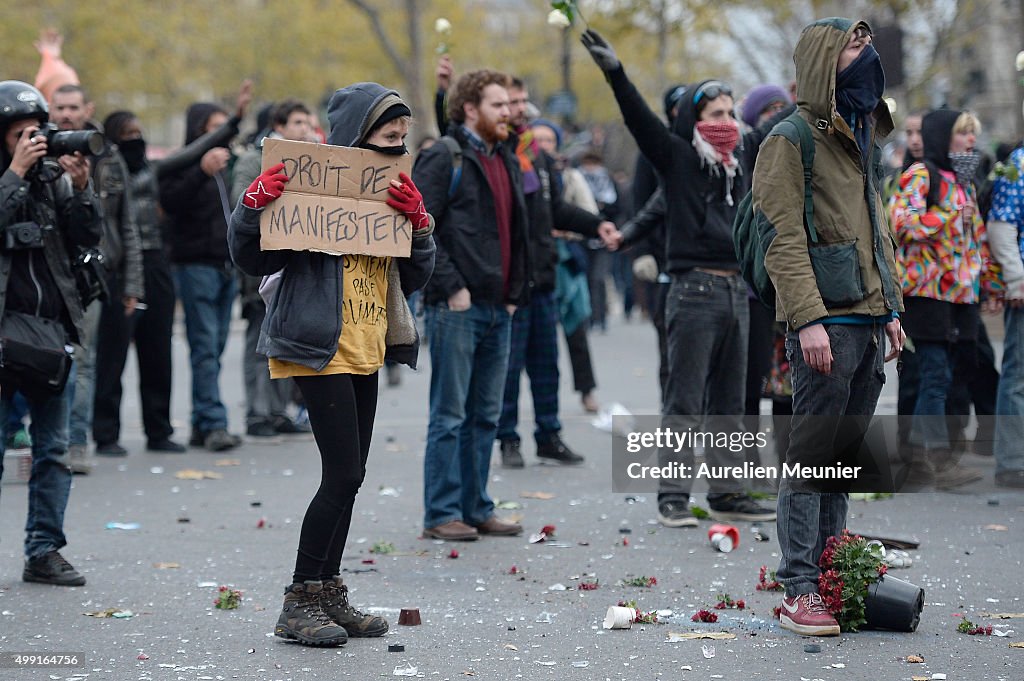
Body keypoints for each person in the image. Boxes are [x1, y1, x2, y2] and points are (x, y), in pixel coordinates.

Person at [229, 82, 435, 646]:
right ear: (356, 139)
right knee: (342, 473)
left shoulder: (392, 187)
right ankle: (298, 600)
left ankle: (328, 591)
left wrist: (420, 227)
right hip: (318, 346)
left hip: (367, 343)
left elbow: (415, 276)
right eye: (388, 138)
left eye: (402, 139)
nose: (398, 148)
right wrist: (254, 207)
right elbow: (250, 256)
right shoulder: (309, 186)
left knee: (351, 477)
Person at [582, 29, 777, 527]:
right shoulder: (678, 158)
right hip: (694, 292)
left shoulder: (742, 163)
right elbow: (640, 121)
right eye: (715, 115)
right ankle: (672, 495)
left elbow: (788, 122)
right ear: (695, 120)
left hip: (737, 291)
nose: (727, 123)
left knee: (732, 403)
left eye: (731, 113)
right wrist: (616, 73)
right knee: (685, 401)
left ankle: (728, 493)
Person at [753, 19, 904, 636]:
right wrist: (807, 321)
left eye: (868, 44)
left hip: (869, 322)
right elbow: (780, 238)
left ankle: (832, 571)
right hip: (825, 325)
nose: (866, 55)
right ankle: (799, 587)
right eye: (853, 45)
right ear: (822, 60)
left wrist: (893, 310)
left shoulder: (860, 133)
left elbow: (876, 229)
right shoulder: (790, 139)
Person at [414, 69, 529, 541]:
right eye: (498, 105)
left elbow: (520, 230)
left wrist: (514, 295)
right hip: (456, 307)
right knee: (450, 415)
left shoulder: (505, 156)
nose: (510, 112)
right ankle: (441, 513)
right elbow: (418, 226)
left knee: (486, 414)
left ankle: (476, 506)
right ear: (470, 109)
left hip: (498, 307)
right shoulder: (444, 156)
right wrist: (451, 286)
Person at [0, 80, 102, 585]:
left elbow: (87, 239)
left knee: (54, 451)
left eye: (36, 133)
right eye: (20, 135)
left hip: (50, 334)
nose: (33, 143)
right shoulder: (15, 176)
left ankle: (44, 551)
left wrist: (81, 189)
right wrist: (15, 173)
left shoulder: (51, 179)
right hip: (2, 338)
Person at [496, 79, 617, 469]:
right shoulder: (498, 155)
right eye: (511, 101)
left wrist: (595, 224)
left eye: (522, 99)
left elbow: (556, 212)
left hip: (544, 281)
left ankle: (549, 436)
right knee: (509, 371)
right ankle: (508, 439)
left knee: (546, 366)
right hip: (510, 285)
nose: (518, 107)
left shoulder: (541, 161)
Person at [890, 109, 1000, 488]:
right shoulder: (922, 175)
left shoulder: (964, 182)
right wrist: (949, 214)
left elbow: (976, 240)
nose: (970, 142)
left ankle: (938, 453)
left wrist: (992, 284)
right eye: (961, 134)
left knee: (961, 370)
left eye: (973, 135)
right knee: (933, 373)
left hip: (962, 295)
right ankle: (930, 458)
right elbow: (902, 222)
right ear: (942, 138)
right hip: (928, 292)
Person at [49, 84, 144, 471]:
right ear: (50, 108)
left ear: (87, 108)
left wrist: (134, 285)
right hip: (46, 271)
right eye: (61, 107)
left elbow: (128, 224)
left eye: (74, 106)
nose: (68, 114)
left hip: (93, 274)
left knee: (84, 362)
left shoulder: (106, 153)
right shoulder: (37, 149)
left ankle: (75, 443)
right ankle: (41, 440)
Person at [160, 85, 252, 451]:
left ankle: (202, 421)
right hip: (195, 264)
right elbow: (170, 202)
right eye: (212, 128)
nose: (220, 136)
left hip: (225, 264)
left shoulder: (229, 167)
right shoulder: (181, 164)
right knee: (203, 346)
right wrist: (199, 171)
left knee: (214, 347)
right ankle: (214, 422)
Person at [230, 98, 312, 438]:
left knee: (285, 342)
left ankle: (279, 412)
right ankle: (257, 414)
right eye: (297, 123)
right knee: (258, 342)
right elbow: (242, 209)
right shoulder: (254, 160)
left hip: (295, 267)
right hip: (263, 265)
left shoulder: (312, 163)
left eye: (307, 123)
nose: (304, 130)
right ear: (279, 127)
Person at [988, 105, 1024, 488]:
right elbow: (1001, 225)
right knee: (1018, 375)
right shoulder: (1019, 163)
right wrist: (1015, 278)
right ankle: (1012, 461)